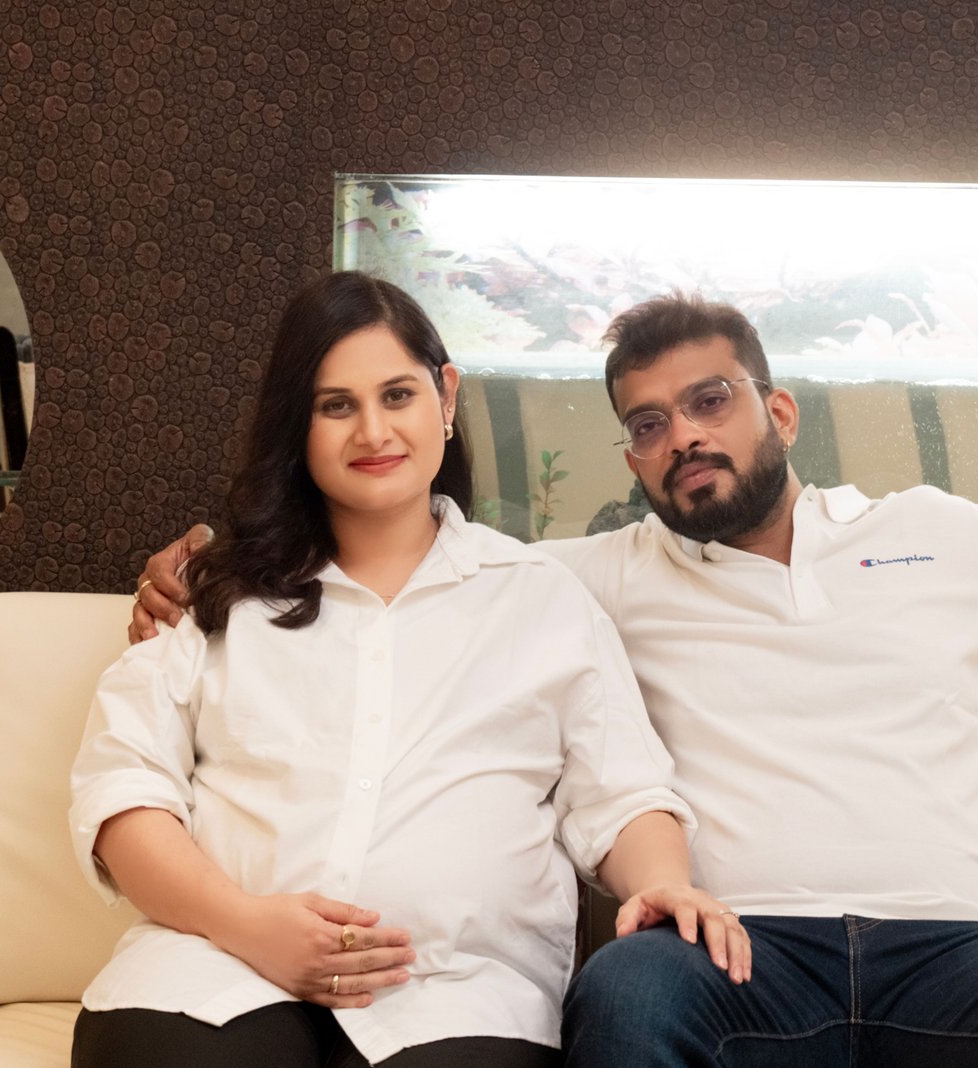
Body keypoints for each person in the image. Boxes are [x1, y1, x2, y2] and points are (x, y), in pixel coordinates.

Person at [136, 292, 978, 1066]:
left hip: (968, 952)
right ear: (632, 460)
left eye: (708, 402)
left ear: (777, 409)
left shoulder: (944, 536)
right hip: (739, 959)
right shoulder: (586, 579)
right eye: (647, 424)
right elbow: (392, 550)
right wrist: (197, 562)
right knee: (625, 995)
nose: (682, 436)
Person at [72, 273, 749, 1068]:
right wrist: (246, 925)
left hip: (457, 993)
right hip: (212, 969)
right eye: (336, 406)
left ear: (445, 396)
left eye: (397, 395)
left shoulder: (540, 598)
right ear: (297, 425)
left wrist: (663, 881)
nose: (373, 431)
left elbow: (622, 793)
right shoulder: (214, 595)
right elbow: (126, 791)